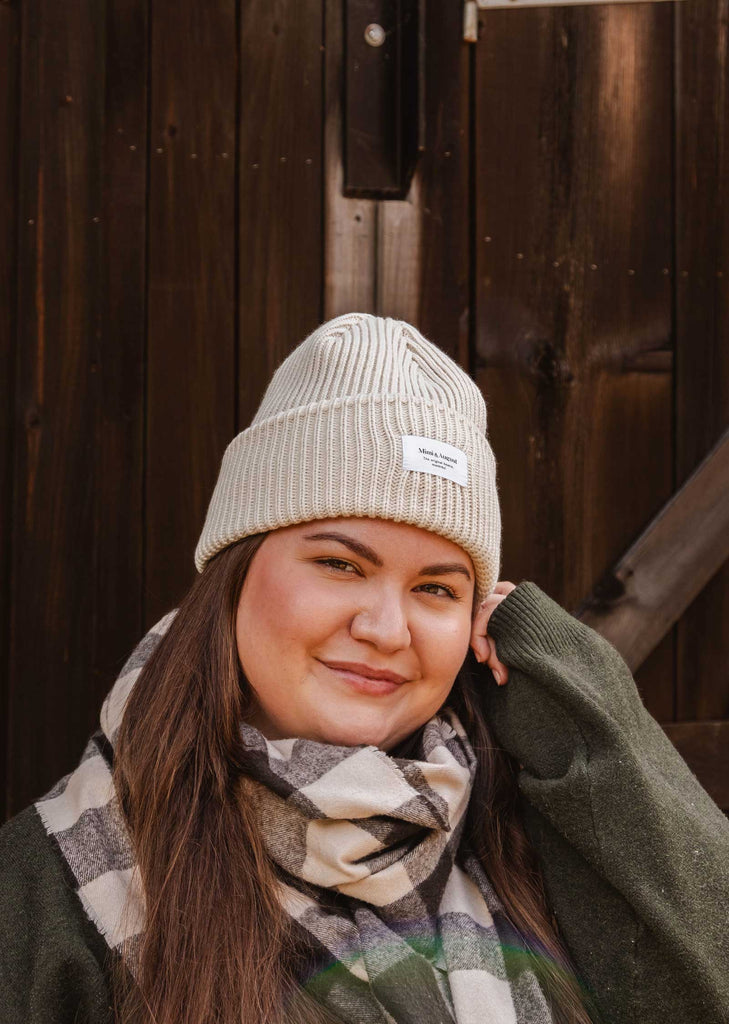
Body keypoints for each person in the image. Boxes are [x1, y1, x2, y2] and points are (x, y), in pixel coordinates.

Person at [1, 313, 728, 1024]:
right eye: (338, 564)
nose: (385, 629)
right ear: (233, 575)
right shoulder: (44, 892)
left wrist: (576, 693)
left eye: (437, 589)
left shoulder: (525, 843)